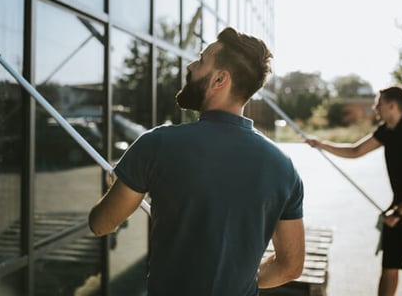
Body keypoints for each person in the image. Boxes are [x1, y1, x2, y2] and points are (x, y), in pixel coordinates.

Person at [89, 27, 305, 295]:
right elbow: (291, 266)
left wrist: (115, 189)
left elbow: (101, 224)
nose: (190, 65)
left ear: (219, 80)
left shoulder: (157, 144)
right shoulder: (283, 167)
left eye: (201, 60)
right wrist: (239, 281)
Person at [306, 85, 402, 296]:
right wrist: (321, 144)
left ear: (392, 106)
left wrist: (398, 213)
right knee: (389, 267)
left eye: (378, 103)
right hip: (396, 212)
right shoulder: (387, 132)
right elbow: (355, 150)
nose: (374, 107)